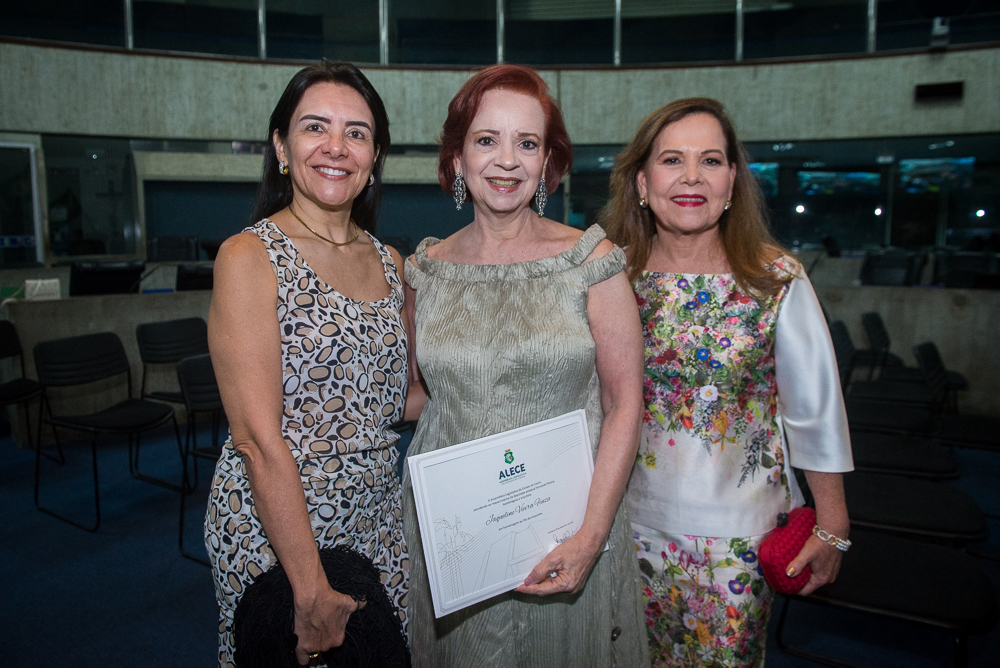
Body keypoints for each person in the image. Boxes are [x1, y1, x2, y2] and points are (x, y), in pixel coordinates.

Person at [401, 64, 648, 667]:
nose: (506, 160)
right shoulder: (424, 270)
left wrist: (591, 537)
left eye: (527, 143)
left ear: (547, 164)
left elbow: (625, 405)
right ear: (457, 159)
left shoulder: (592, 261)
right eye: (487, 140)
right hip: (459, 536)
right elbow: (413, 396)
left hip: (568, 527)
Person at [601, 98, 853, 667]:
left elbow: (814, 411)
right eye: (672, 160)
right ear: (642, 181)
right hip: (620, 529)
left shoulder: (774, 279)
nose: (692, 177)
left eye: (710, 161)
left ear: (732, 180)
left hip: (736, 543)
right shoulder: (611, 277)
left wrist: (833, 525)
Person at [205, 61, 410, 668]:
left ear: (374, 157)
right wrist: (310, 585)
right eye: (315, 127)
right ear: (281, 147)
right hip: (281, 533)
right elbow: (256, 439)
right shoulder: (249, 256)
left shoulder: (390, 261)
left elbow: (400, 401)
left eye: (357, 132)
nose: (336, 147)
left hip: (378, 520)